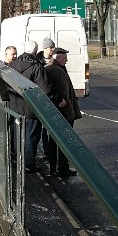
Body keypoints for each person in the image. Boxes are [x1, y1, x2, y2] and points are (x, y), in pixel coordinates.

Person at [9, 40, 64, 172]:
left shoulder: (13, 64)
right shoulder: (36, 67)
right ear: (35, 51)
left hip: (14, 105)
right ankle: (29, 164)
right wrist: (56, 100)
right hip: (31, 107)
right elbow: (45, 90)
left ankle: (17, 158)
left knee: (17, 133)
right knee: (31, 136)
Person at [44, 47, 82, 177]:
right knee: (64, 141)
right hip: (63, 110)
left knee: (54, 140)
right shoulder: (58, 71)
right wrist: (65, 101)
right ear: (57, 58)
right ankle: (62, 167)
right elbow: (63, 91)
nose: (66, 60)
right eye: (64, 58)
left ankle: (54, 167)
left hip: (55, 109)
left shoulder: (50, 68)